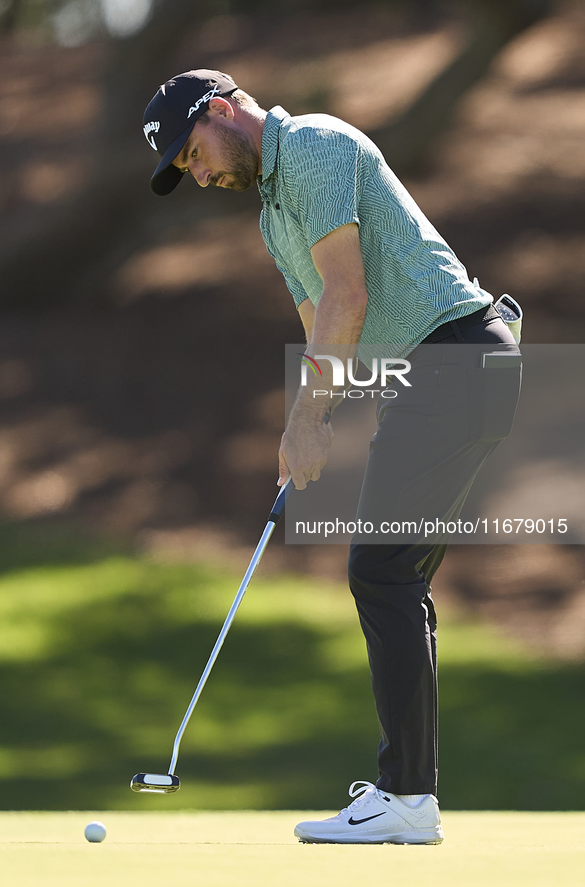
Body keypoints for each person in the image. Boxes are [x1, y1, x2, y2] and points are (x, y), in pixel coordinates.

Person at [142, 69, 521, 845]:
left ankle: (408, 798)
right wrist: (304, 427)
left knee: (380, 572)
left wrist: (309, 422)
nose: (200, 172)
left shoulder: (312, 145)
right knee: (393, 575)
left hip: (455, 358)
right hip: (435, 376)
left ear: (219, 111)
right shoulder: (273, 216)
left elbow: (347, 298)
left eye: (192, 153)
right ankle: (408, 791)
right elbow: (329, 333)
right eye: (184, 168)